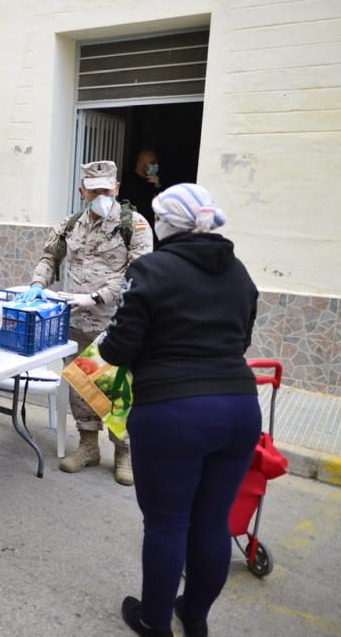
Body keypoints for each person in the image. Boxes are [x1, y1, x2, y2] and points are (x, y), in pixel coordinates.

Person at [99, 184, 261, 637]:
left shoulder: (150, 269)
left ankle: (153, 622)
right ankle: (194, 616)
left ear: (168, 224)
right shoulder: (239, 273)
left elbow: (117, 347)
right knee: (212, 520)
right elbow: (241, 339)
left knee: (168, 523)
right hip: (239, 408)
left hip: (173, 412)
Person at [16, 160, 152, 484]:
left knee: (116, 388)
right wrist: (38, 284)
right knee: (81, 386)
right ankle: (89, 446)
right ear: (82, 193)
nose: (101, 195)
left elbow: (140, 272)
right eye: (94, 191)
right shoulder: (70, 224)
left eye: (107, 189)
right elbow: (50, 257)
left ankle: (124, 452)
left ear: (117, 189)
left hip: (116, 325)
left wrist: (97, 297)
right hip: (76, 321)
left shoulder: (135, 225)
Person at [121, 149, 162, 227]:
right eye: (153, 163)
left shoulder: (152, 181)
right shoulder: (128, 180)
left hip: (150, 227)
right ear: (143, 164)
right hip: (136, 228)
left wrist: (158, 185)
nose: (156, 165)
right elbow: (141, 208)